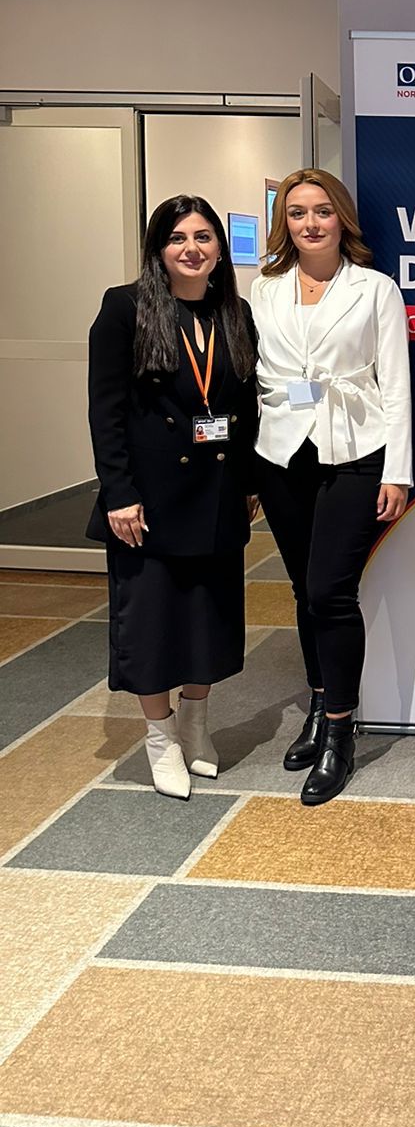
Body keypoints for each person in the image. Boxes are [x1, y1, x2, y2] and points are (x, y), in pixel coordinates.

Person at [87, 196, 259, 799]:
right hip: (149, 500)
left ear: (220, 249)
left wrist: (248, 482)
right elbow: (106, 411)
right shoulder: (125, 307)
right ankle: (160, 738)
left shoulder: (233, 311)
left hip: (217, 491)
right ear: (158, 249)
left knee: (209, 618)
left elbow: (244, 406)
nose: (192, 249)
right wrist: (118, 493)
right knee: (152, 623)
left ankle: (196, 723)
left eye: (204, 237)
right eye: (178, 238)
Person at [251, 168, 412, 805]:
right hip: (281, 452)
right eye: (297, 213)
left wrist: (398, 470)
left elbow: (395, 384)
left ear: (341, 217)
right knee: (301, 589)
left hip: (356, 451)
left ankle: (341, 730)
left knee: (330, 591)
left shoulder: (375, 289)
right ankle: (319, 705)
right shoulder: (264, 288)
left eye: (322, 211)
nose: (310, 223)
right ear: (284, 223)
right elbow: (255, 373)